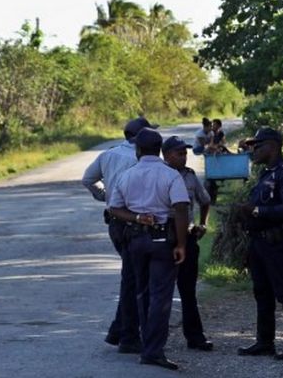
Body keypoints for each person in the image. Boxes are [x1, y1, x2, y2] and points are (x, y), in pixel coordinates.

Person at [108, 128, 191, 371]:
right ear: (160, 150)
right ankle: (153, 350)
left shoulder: (127, 175)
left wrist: (136, 217)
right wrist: (181, 244)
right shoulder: (171, 175)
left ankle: (146, 343)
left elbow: (114, 208)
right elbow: (181, 208)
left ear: (138, 150)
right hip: (162, 240)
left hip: (135, 241)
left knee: (142, 293)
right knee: (161, 297)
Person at [81, 116, 157, 354]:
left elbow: (88, 179)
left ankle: (119, 330)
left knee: (132, 275)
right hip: (134, 222)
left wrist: (105, 196)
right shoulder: (141, 159)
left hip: (115, 222)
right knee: (134, 280)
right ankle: (128, 336)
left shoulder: (109, 154)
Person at [236, 127, 283, 361]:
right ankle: (265, 342)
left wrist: (256, 210)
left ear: (272, 147)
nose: (254, 151)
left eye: (258, 146)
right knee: (262, 292)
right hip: (259, 242)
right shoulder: (266, 174)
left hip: (277, 242)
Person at [161, 135, 214, 351]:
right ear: (167, 155)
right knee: (160, 290)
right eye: (179, 153)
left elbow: (205, 200)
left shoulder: (190, 176)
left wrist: (203, 224)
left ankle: (195, 337)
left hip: (188, 235)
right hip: (164, 235)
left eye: (185, 153)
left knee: (188, 290)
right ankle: (155, 339)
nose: (184, 157)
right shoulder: (159, 175)